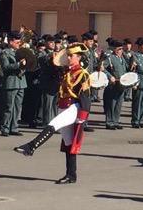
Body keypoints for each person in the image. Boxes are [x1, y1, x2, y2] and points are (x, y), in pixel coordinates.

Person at [14, 42, 92, 184]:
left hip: (74, 107)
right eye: (67, 55)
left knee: (53, 124)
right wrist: (54, 58)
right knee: (69, 143)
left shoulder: (83, 74)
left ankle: (30, 147)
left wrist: (82, 117)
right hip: (63, 106)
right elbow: (47, 67)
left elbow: (86, 97)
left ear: (79, 57)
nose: (68, 58)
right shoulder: (65, 71)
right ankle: (71, 175)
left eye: (71, 56)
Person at [0, 34, 29, 136]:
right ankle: (5, 128)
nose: (18, 44)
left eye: (19, 42)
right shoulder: (5, 53)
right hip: (11, 82)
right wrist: (19, 64)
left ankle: (14, 127)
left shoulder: (21, 52)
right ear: (11, 42)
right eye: (17, 42)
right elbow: (6, 67)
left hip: (21, 82)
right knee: (8, 106)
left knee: (17, 106)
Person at [103, 41, 128, 129]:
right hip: (113, 84)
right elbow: (103, 69)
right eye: (119, 49)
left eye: (121, 49)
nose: (121, 51)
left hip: (121, 84)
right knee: (112, 103)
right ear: (115, 50)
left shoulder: (122, 58)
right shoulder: (110, 58)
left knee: (119, 104)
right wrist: (110, 76)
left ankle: (116, 121)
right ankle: (109, 122)